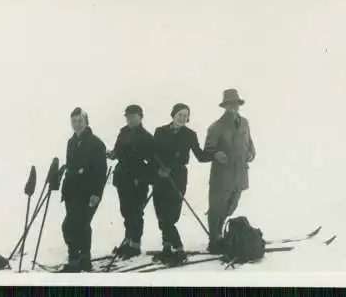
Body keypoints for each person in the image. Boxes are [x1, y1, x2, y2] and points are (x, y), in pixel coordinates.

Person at [152, 103, 211, 264]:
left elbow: (200, 155)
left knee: (170, 215)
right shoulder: (160, 131)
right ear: (173, 115)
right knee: (160, 212)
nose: (183, 118)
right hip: (160, 176)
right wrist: (158, 170)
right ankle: (167, 246)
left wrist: (216, 153)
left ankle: (178, 247)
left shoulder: (190, 134)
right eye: (180, 115)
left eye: (185, 116)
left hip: (177, 177)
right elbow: (153, 153)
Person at [203, 89, 256, 254]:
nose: (233, 107)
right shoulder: (216, 127)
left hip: (240, 174)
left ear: (238, 105)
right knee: (216, 208)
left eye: (235, 104)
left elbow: (250, 142)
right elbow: (207, 151)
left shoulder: (245, 123)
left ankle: (219, 233)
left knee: (232, 206)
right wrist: (216, 154)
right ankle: (214, 239)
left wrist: (252, 153)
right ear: (224, 106)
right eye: (229, 104)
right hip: (222, 175)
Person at [60, 107, 108, 272]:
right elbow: (71, 166)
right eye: (74, 121)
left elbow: (101, 172)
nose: (77, 124)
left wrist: (96, 194)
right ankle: (76, 257)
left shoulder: (96, 143)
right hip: (71, 191)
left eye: (80, 121)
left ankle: (82, 261)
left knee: (80, 225)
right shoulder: (71, 142)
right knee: (70, 225)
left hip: (87, 192)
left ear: (86, 122)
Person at [107, 105, 154, 259]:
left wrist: (143, 177)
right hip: (122, 177)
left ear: (141, 117)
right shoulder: (123, 132)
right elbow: (118, 151)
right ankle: (127, 241)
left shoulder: (147, 136)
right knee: (126, 211)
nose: (130, 119)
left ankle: (135, 244)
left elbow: (151, 159)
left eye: (134, 116)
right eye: (128, 117)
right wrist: (111, 154)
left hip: (138, 178)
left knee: (136, 212)